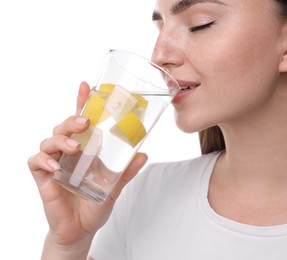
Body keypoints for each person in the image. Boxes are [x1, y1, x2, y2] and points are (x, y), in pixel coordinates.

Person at [28, 0, 287, 259]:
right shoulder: (145, 195)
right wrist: (68, 244)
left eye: (200, 24)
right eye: (160, 27)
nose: (159, 56)